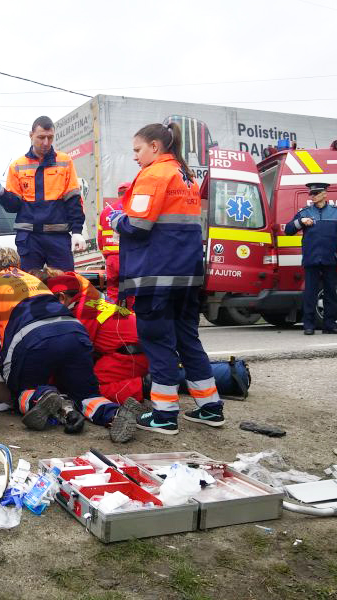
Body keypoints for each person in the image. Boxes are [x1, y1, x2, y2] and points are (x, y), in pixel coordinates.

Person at [109, 122, 224, 436]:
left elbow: (138, 225)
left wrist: (116, 218)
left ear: (155, 147)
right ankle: (210, 407)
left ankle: (164, 415)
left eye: (137, 149)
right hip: (186, 274)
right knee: (188, 339)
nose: (135, 156)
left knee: (158, 342)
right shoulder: (185, 175)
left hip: (156, 275)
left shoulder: (154, 174)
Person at [0, 248, 103, 435]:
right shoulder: (37, 280)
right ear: (19, 263)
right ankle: (112, 413)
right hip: (73, 331)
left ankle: (46, 397)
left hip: (29, 339)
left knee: (19, 391)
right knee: (86, 394)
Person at [45, 274, 147, 442]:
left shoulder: (81, 313)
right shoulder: (92, 301)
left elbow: (73, 355)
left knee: (88, 388)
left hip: (129, 356)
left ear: (62, 298)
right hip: (137, 351)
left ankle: (144, 386)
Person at [0, 116, 86, 271]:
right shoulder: (17, 166)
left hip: (58, 236)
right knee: (30, 288)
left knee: (65, 286)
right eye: (41, 137)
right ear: (31, 135)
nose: (46, 143)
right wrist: (2, 193)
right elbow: (13, 206)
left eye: (50, 137)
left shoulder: (64, 161)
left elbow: (73, 199)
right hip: (29, 238)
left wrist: (77, 231)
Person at [284, 182, 337, 335]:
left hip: (330, 258)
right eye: (311, 194)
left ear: (324, 194)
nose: (312, 197)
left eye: (315, 194)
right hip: (311, 258)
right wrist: (300, 222)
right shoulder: (305, 213)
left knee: (330, 293)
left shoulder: (336, 213)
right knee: (310, 293)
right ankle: (308, 325)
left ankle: (330, 325)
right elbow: (287, 230)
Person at [98, 182, 131, 304]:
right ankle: (132, 320)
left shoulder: (106, 211)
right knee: (131, 292)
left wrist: (106, 255)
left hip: (111, 258)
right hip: (129, 257)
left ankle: (113, 320)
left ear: (118, 194)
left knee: (112, 291)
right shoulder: (133, 209)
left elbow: (100, 238)